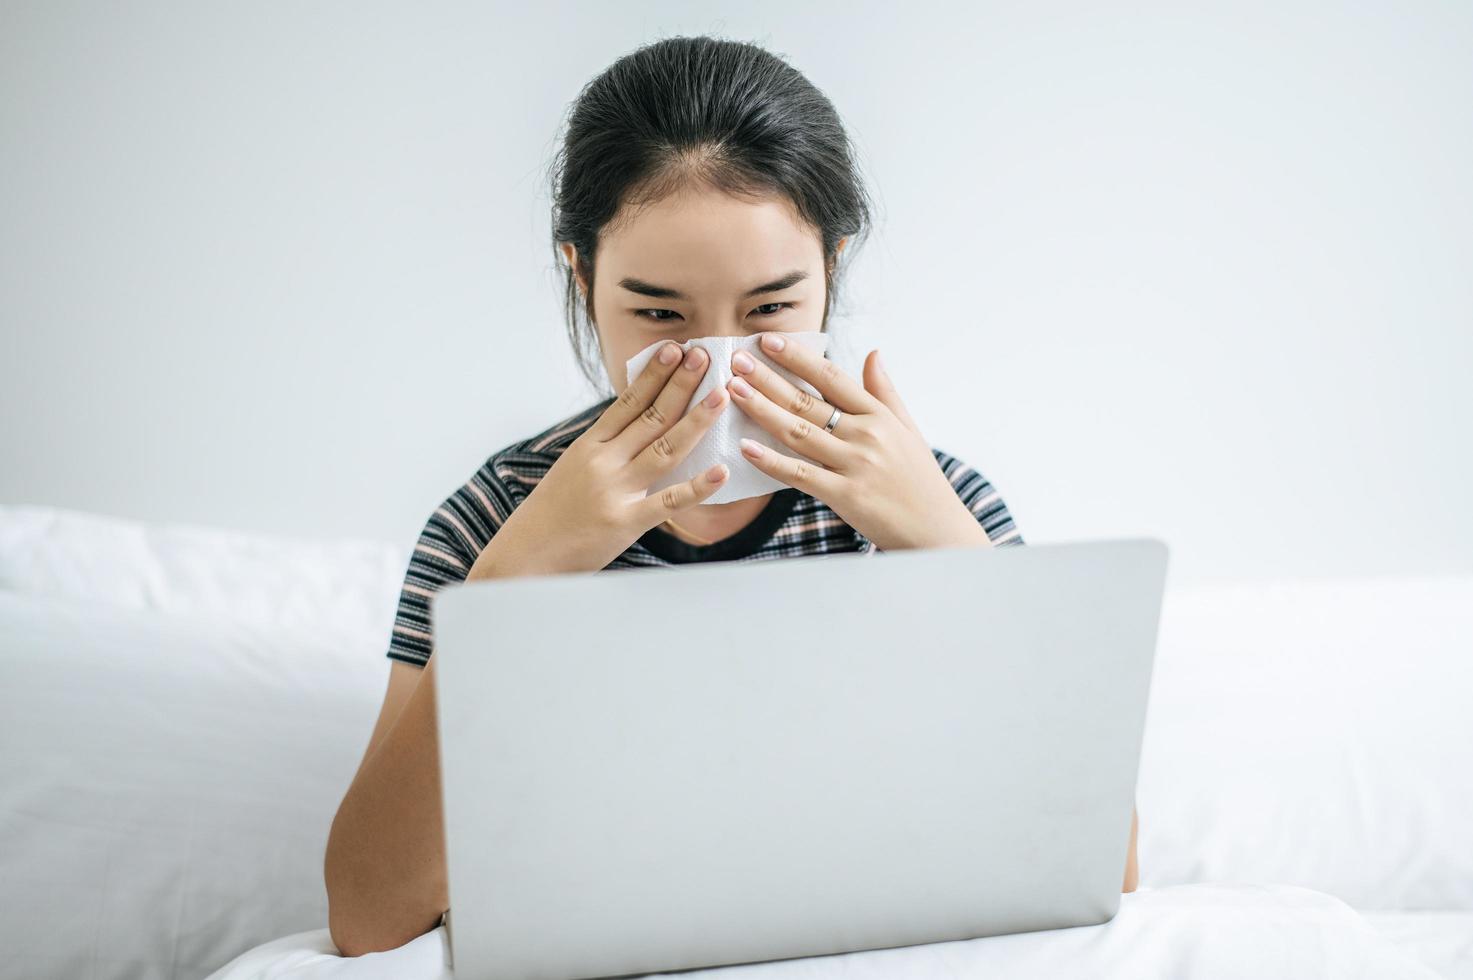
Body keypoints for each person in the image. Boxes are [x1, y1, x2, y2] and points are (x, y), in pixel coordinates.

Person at [323, 33, 1136, 958]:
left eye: (769, 311)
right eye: (661, 315)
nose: (716, 378)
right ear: (581, 277)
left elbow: (1106, 864)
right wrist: (515, 578)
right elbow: (366, 914)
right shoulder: (496, 516)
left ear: (831, 268)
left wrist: (946, 552)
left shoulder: (936, 501)